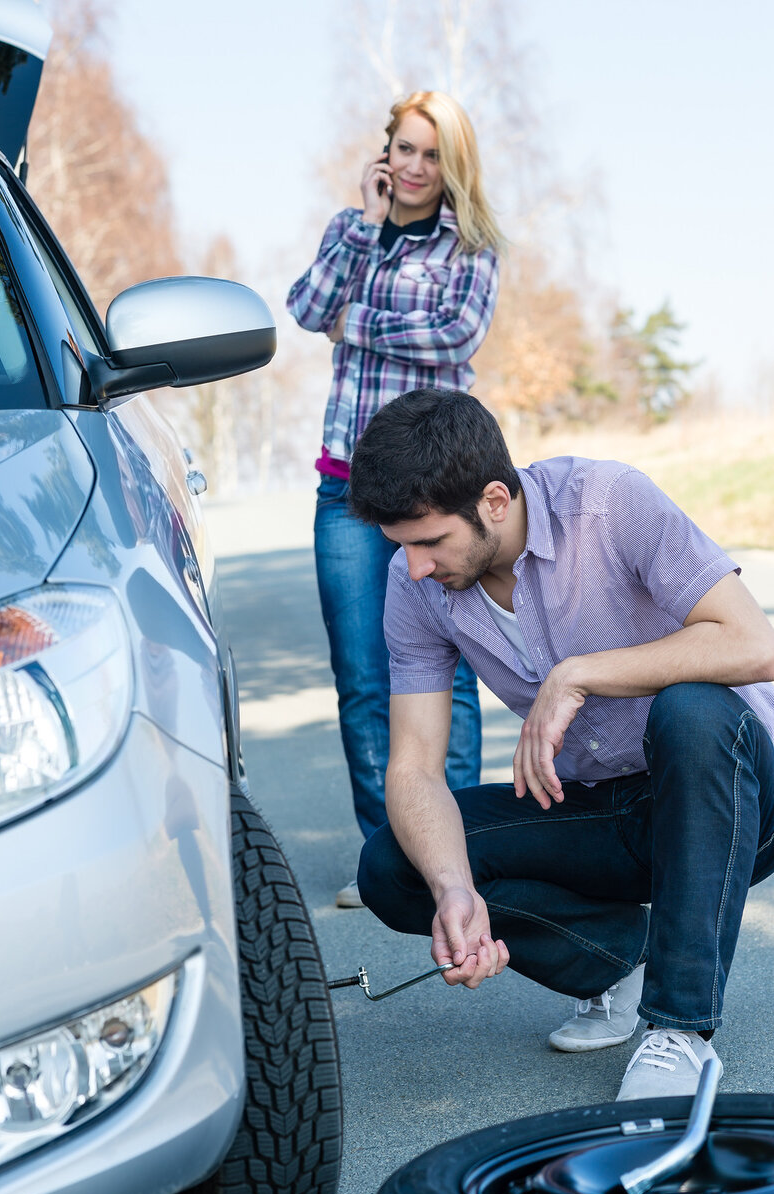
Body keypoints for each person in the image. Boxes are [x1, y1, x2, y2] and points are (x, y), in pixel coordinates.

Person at [347, 386, 774, 1100]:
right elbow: (415, 767)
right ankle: (619, 961)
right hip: (605, 808)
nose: (415, 566)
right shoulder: (413, 584)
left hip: (734, 795)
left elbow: (754, 644)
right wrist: (453, 887)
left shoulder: (606, 504)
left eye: (427, 542)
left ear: (492, 500)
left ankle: (678, 1031)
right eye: (402, 548)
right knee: (395, 864)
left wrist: (580, 675)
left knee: (692, 710)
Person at [287, 92, 504, 906]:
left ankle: (465, 846)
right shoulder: (352, 230)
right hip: (345, 489)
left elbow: (454, 336)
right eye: (403, 150)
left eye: (430, 154)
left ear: (452, 165)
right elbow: (307, 310)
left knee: (444, 671)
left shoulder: (473, 246)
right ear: (385, 155)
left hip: (433, 491)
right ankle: (388, 858)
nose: (414, 167)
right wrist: (368, 231)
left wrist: (357, 320)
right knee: (362, 675)